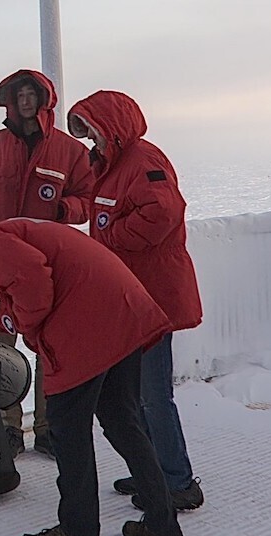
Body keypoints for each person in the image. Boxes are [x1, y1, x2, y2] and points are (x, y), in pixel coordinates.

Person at [0, 215, 188, 536]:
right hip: (123, 311)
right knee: (124, 423)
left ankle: (78, 535)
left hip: (85, 323)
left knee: (68, 432)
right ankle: (164, 527)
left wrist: (24, 323)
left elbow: (32, 281)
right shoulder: (8, 231)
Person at [67, 90, 205, 511]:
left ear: (113, 128)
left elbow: (164, 213)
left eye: (94, 132)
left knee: (152, 395)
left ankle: (178, 482)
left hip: (154, 300)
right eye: (87, 134)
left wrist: (110, 237)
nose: (92, 142)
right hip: (132, 297)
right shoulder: (113, 166)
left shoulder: (142, 162)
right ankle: (152, 470)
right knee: (131, 393)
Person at [0, 69, 94, 459]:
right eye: (18, 95)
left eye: (30, 93)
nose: (24, 100)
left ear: (43, 99)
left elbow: (88, 195)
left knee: (48, 349)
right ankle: (8, 428)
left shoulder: (69, 151)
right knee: (2, 349)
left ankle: (49, 428)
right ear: (9, 100)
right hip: (0, 267)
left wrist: (65, 209)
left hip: (48, 266)